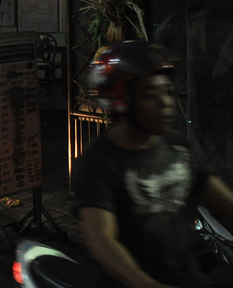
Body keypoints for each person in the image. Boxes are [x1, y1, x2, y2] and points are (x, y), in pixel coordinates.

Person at [73, 40, 233, 288]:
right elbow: (103, 242)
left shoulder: (178, 148)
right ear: (123, 102)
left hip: (184, 277)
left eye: (167, 92)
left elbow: (221, 199)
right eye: (150, 94)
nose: (165, 103)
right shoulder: (98, 163)